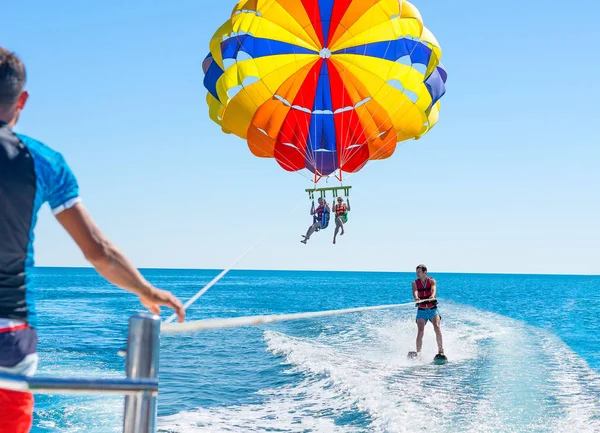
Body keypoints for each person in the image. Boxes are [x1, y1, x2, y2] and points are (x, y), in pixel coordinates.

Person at [0, 47, 185, 433]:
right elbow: (97, 251)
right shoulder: (44, 161)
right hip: (10, 337)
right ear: (23, 100)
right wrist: (146, 289)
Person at [412, 264, 444, 358]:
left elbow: (433, 289)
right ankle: (418, 353)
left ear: (424, 272)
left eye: (419, 272)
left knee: (437, 327)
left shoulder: (432, 281)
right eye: (416, 272)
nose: (417, 274)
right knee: (420, 330)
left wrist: (432, 296)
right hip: (421, 310)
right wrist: (417, 298)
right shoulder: (414, 283)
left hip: (432, 310)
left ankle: (441, 351)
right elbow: (415, 291)